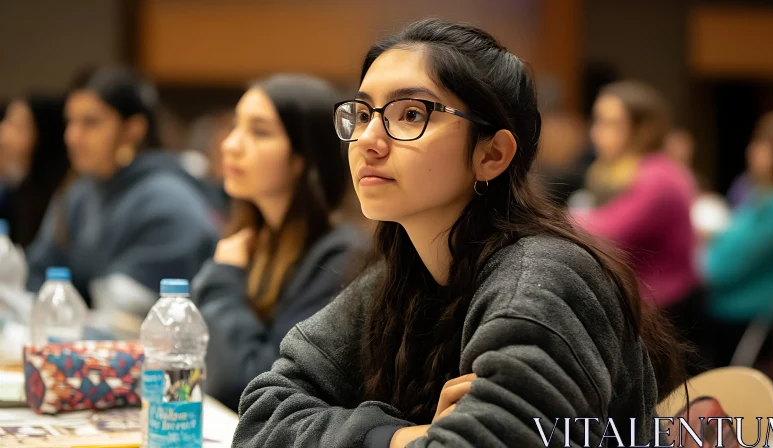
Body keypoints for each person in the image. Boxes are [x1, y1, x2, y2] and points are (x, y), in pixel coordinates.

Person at [232, 19, 687, 448]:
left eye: (410, 113)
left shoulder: (544, 278)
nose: (369, 139)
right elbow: (261, 414)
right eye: (364, 112)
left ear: (492, 155)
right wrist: (400, 436)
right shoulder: (401, 274)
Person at [190, 75, 365, 410]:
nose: (230, 145)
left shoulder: (340, 258)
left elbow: (253, 385)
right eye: (235, 126)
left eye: (259, 132)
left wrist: (223, 278)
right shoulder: (254, 241)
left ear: (302, 158)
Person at [24, 67, 218, 317]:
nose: (72, 137)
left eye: (90, 123)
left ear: (133, 129)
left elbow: (127, 315)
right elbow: (39, 274)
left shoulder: (168, 201)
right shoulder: (79, 194)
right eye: (70, 122)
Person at [572, 81, 701, 337]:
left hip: (663, 312)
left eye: (611, 124)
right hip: (638, 301)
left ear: (642, 130)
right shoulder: (613, 171)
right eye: (596, 121)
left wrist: (549, 219)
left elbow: (606, 233)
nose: (596, 133)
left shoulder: (659, 175)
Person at [702, 110, 773, 367]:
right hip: (729, 311)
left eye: (762, 145)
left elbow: (722, 266)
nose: (753, 150)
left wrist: (708, 247)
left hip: (750, 316)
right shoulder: (757, 194)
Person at [0, 95, 71, 247]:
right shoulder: (15, 188)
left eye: (16, 125)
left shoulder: (64, 196)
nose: (3, 132)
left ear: (41, 134)